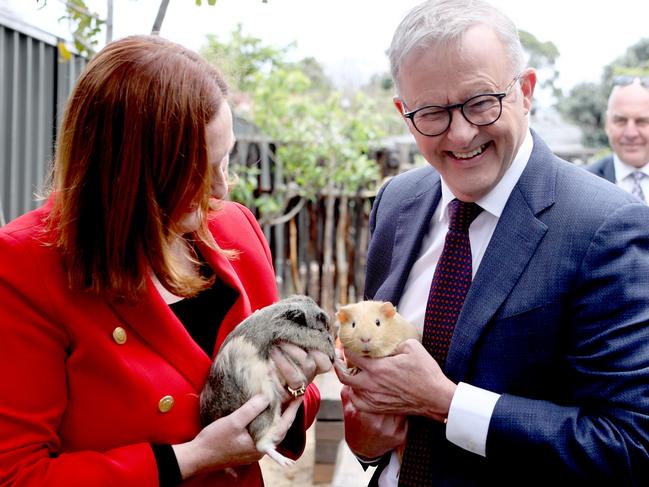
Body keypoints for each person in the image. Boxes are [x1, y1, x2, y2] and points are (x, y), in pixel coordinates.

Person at [334, 1, 649, 485]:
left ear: (525, 91)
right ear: (403, 113)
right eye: (433, 113)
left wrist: (444, 402)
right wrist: (366, 439)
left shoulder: (605, 225)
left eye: (481, 102)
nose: (461, 134)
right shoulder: (396, 203)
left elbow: (628, 443)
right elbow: (378, 411)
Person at [0, 35, 331, 486]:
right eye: (197, 170)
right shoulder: (25, 265)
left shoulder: (237, 230)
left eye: (225, 160)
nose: (221, 190)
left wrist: (294, 385)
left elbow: (292, 399)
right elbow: (18, 473)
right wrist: (188, 458)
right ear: (126, 173)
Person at [587, 76, 649, 203]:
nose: (631, 133)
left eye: (642, 121)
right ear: (607, 124)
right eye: (620, 120)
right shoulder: (584, 185)